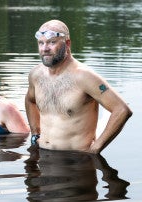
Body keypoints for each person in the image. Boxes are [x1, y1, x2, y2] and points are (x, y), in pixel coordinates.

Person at [25, 20, 132, 153]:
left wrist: (95, 149)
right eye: (41, 43)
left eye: (52, 42)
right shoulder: (36, 75)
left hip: (76, 162)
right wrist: (35, 134)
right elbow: (30, 100)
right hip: (43, 156)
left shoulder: (84, 76)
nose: (45, 48)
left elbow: (121, 110)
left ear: (67, 43)